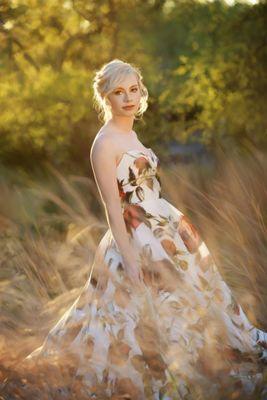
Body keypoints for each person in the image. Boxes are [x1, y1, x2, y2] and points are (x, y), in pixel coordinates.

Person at [21, 59, 267, 399]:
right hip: (135, 234)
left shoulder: (131, 132)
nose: (128, 98)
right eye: (119, 92)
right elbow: (112, 205)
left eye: (134, 90)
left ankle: (204, 359)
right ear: (105, 97)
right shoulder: (104, 143)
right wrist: (130, 256)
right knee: (138, 311)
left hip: (165, 227)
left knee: (195, 294)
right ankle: (164, 374)